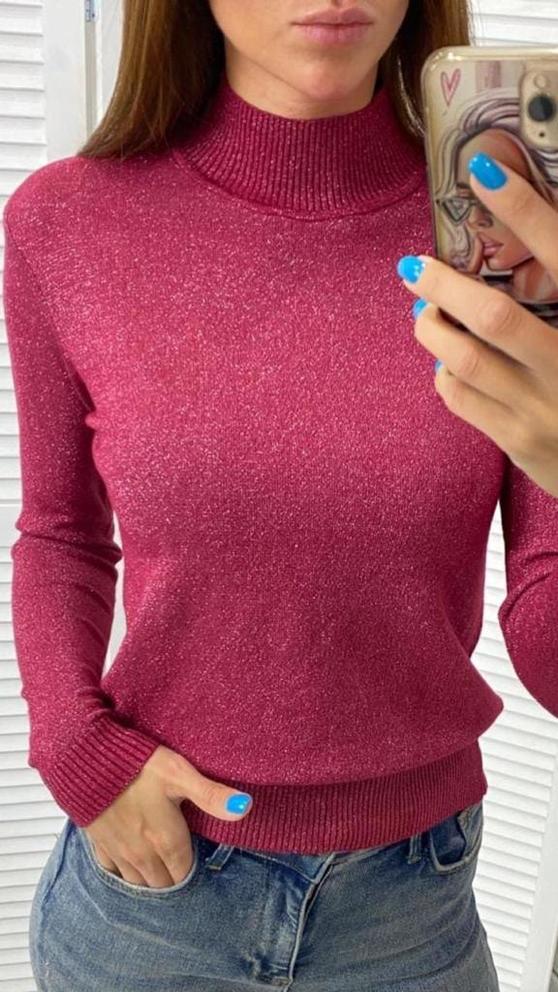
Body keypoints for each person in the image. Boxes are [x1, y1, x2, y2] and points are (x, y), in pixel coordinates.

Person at [3, 1, 558, 989]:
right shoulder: (66, 221)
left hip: (412, 910)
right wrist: (78, 753)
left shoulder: (509, 238)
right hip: (152, 898)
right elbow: (61, 530)